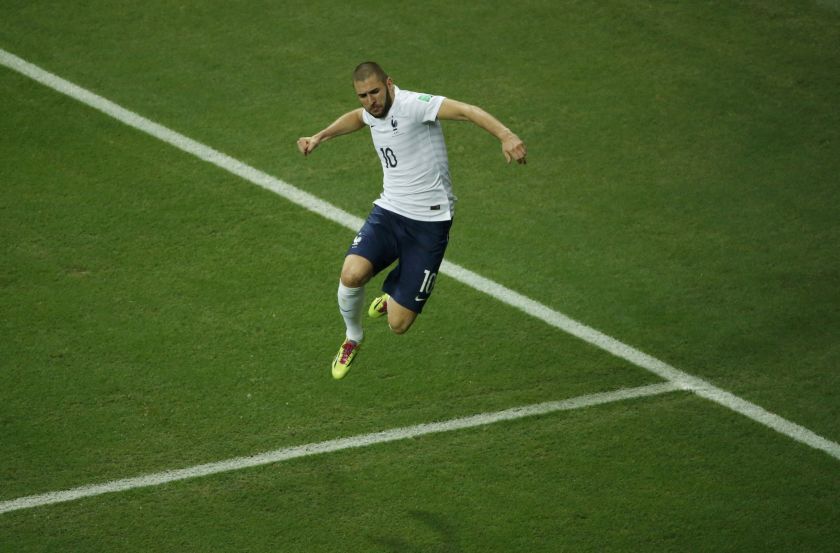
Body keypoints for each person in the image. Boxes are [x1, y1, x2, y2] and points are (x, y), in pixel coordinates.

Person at [297, 62, 526, 380]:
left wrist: (506, 135)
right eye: (362, 95)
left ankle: (393, 296)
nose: (370, 101)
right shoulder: (371, 112)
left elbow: (467, 111)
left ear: (389, 84)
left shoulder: (413, 105)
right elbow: (357, 118)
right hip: (389, 213)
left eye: (375, 92)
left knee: (398, 325)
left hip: (429, 225)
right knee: (351, 274)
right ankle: (353, 338)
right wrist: (321, 136)